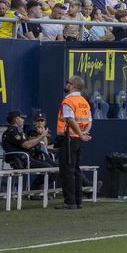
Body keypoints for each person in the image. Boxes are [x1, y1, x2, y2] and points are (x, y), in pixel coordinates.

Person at [56, 75, 92, 209]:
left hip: (69, 138)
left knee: (67, 170)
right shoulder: (83, 101)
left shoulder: (69, 101)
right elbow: (89, 121)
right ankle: (78, 200)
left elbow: (70, 119)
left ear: (73, 85)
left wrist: (79, 134)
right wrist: (83, 133)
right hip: (78, 139)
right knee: (76, 170)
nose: (66, 84)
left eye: (68, 83)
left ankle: (70, 201)